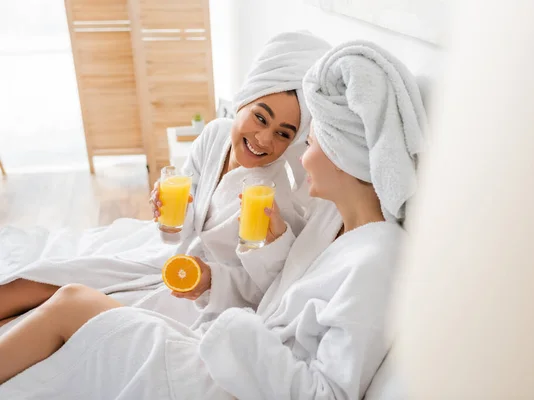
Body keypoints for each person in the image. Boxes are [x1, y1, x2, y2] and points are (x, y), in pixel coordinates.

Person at [0, 40, 427, 400]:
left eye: (302, 139)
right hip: (225, 350)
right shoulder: (332, 229)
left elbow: (320, 384)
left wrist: (232, 326)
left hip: (227, 368)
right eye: (262, 118)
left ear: (340, 155)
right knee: (56, 294)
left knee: (72, 302)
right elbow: (259, 283)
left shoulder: (372, 255)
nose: (298, 153)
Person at [0, 31, 331, 332]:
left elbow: (266, 288)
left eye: (283, 134)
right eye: (260, 117)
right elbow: (178, 232)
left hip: (197, 295)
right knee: (34, 282)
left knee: (51, 318)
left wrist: (211, 279)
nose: (263, 139)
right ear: (244, 99)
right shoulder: (215, 134)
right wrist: (168, 215)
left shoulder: (275, 194)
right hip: (166, 261)